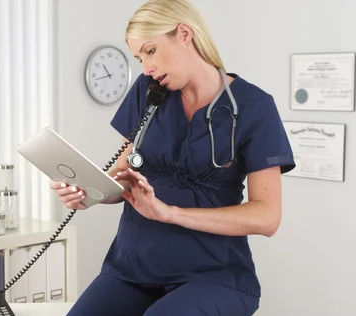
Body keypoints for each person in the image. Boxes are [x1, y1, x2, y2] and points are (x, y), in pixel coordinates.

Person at [50, 0, 295, 315]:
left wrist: (170, 213)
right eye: (139, 58)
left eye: (150, 51)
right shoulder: (147, 92)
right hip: (133, 267)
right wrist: (91, 190)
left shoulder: (254, 106)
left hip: (213, 274)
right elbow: (123, 174)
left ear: (184, 34)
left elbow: (267, 218)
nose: (146, 68)